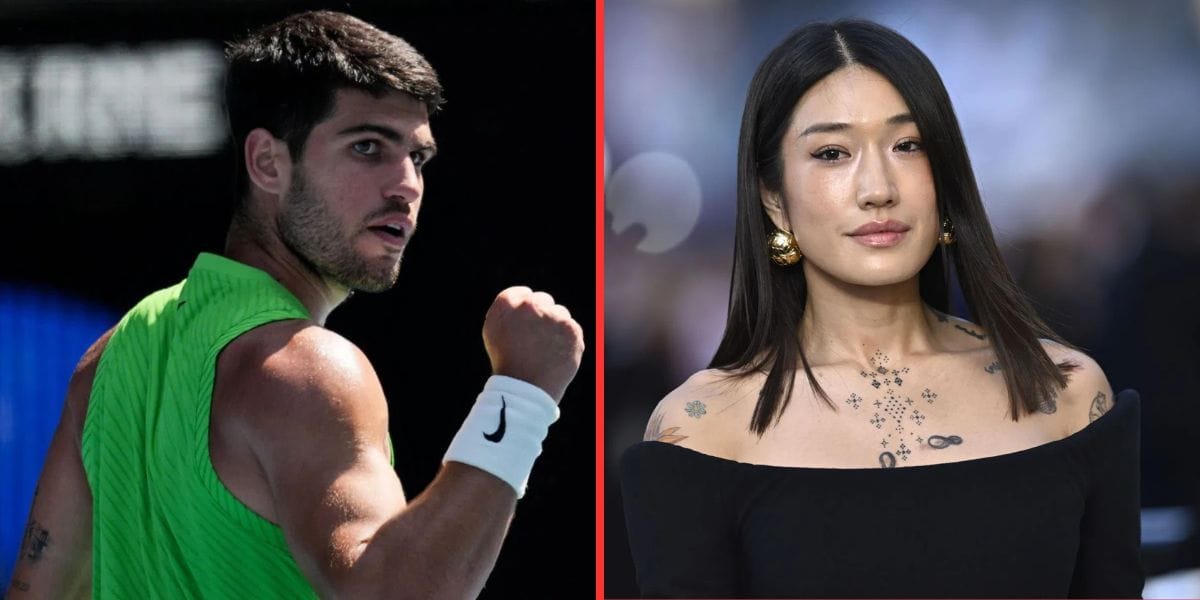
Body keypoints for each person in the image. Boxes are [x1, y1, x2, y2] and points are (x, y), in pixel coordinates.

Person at [6, 10, 584, 599]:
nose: (406, 185)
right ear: (267, 163)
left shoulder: (108, 360)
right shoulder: (311, 370)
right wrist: (522, 393)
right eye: (368, 147)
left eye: (418, 158)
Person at [619, 19, 1142, 598]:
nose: (877, 187)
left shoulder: (1065, 394)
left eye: (907, 145)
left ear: (943, 175)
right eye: (833, 152)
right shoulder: (703, 430)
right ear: (775, 201)